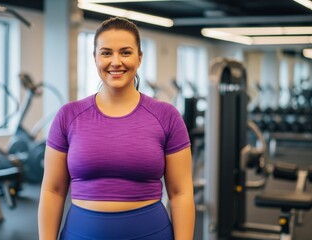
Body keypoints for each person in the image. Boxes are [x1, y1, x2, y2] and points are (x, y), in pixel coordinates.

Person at [38, 17, 195, 240]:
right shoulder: (69, 115)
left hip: (150, 233)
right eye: (106, 53)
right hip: (81, 233)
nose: (115, 61)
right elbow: (52, 190)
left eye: (125, 52)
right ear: (95, 58)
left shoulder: (166, 115)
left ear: (139, 58)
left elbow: (181, 193)